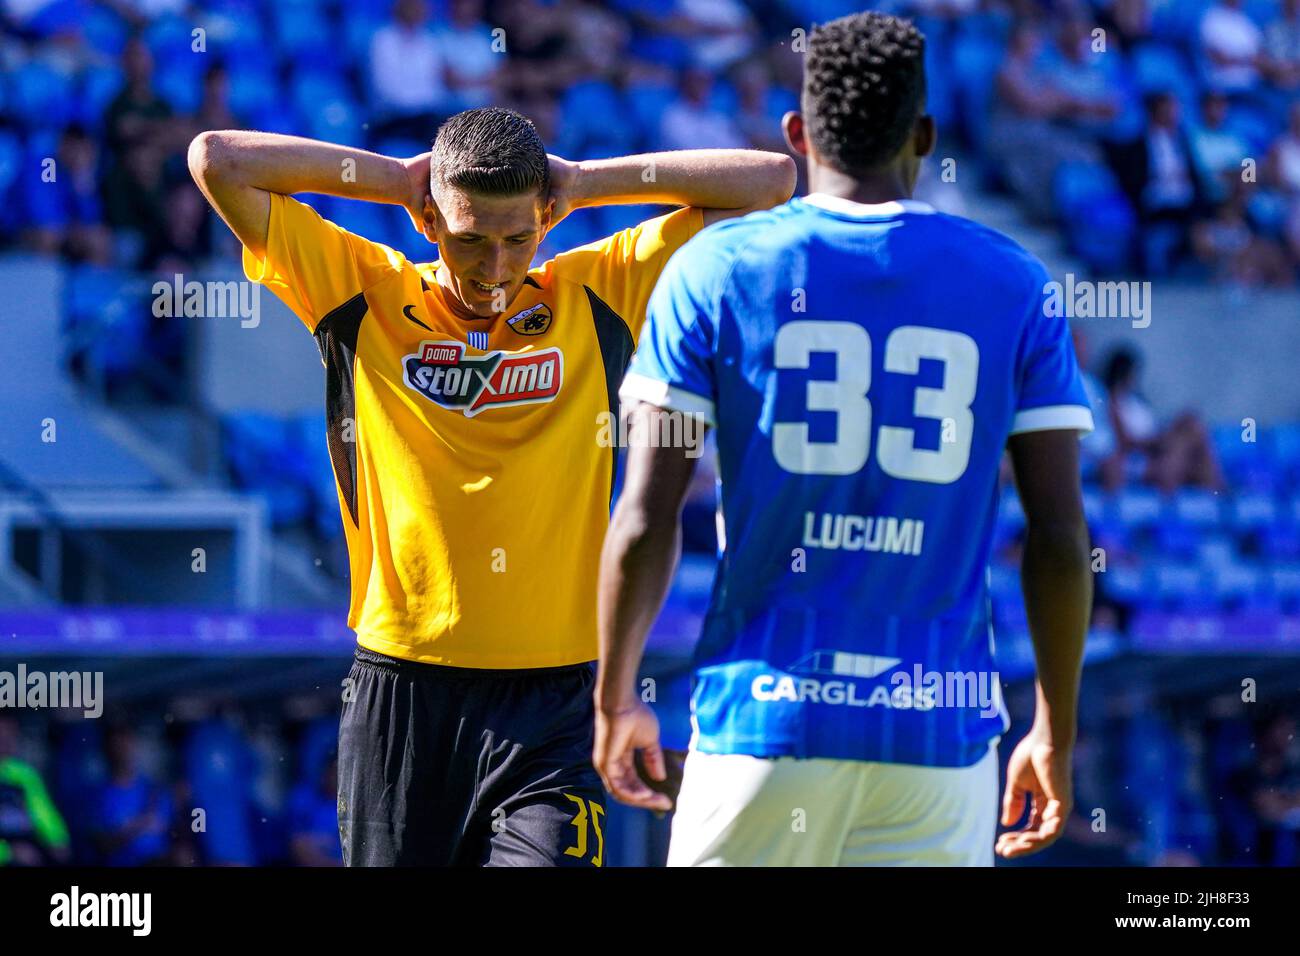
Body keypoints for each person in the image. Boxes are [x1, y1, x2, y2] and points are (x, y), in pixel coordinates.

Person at [188, 107, 794, 866]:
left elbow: (770, 183)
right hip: (401, 696)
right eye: (471, 237)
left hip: (557, 706)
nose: (497, 269)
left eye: (519, 238)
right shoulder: (362, 291)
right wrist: (400, 181)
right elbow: (218, 159)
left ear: (545, 220)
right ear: (431, 224)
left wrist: (580, 183)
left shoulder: (595, 292)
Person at [594, 11, 1094, 866]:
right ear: (925, 135)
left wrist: (613, 700)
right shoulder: (1014, 282)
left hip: (763, 722)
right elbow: (1057, 535)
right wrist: (1052, 727)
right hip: (939, 742)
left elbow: (645, 514)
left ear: (796, 134)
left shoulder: (716, 269)